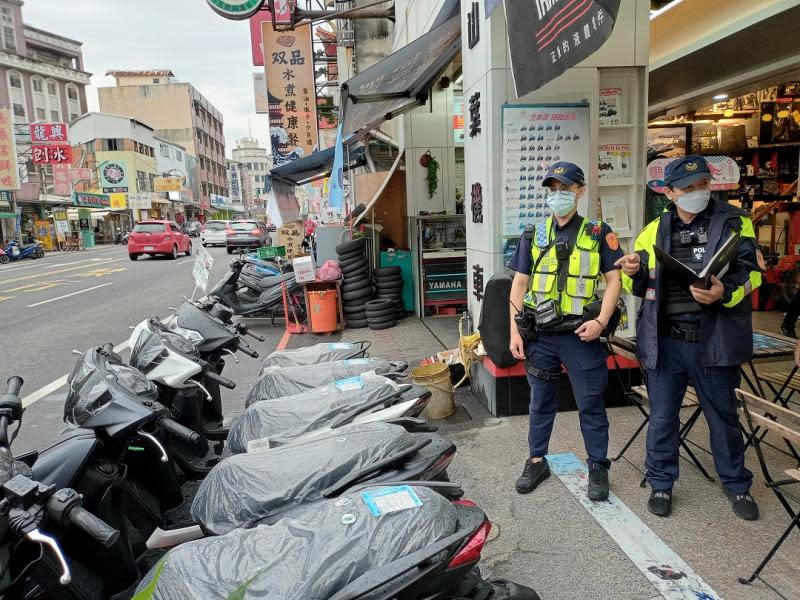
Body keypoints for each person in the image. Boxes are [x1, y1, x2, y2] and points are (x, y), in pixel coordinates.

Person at [616, 155, 762, 520]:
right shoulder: (655, 229)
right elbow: (643, 284)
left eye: (703, 185)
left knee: (723, 416)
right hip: (667, 340)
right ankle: (661, 481)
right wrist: (634, 270)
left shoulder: (735, 221)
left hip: (714, 339)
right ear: (670, 193)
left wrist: (724, 292)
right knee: (663, 416)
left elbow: (753, 273)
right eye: (688, 188)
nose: (698, 192)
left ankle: (737, 485)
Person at [508, 161, 624, 501]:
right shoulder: (534, 233)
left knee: (590, 402)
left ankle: (598, 466)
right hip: (540, 336)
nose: (558, 195)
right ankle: (536, 460)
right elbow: (518, 284)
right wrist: (515, 331)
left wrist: (601, 321)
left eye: (566, 189)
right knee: (540, 401)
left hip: (580, 336)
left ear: (580, 191)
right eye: (553, 189)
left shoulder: (599, 233)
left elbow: (615, 281)